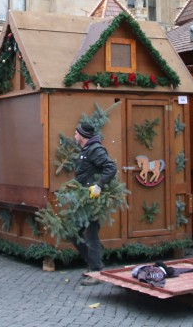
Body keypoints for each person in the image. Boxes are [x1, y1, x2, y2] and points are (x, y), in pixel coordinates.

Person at [71, 120, 118, 286]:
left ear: (83, 135)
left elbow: (111, 167)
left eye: (76, 133)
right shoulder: (86, 149)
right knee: (74, 232)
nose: (74, 135)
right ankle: (93, 264)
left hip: (92, 199)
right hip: (83, 198)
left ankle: (96, 271)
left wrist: (99, 185)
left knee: (91, 235)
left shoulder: (95, 149)